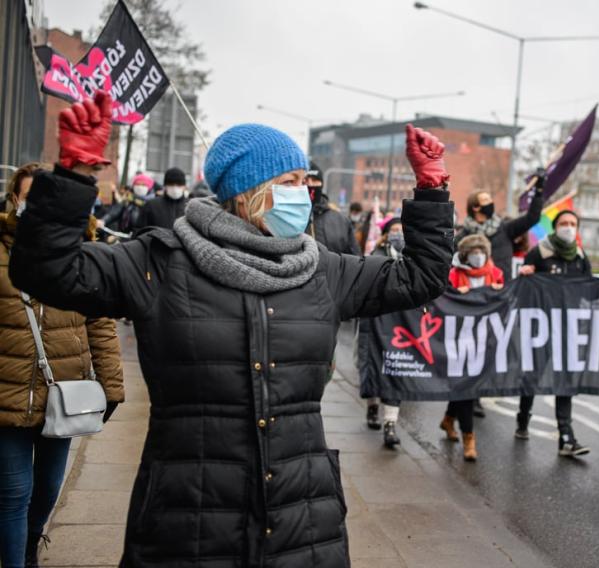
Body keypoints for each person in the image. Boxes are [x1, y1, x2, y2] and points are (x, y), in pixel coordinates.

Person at [10, 91, 454, 566]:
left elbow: (420, 277)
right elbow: (47, 271)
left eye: (305, 182)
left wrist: (431, 191)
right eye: (290, 181)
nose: (303, 194)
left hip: (302, 520)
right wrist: (73, 176)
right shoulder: (158, 262)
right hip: (188, 523)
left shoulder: (324, 270)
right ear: (248, 190)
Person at [1, 162, 124, 567]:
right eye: (26, 196)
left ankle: (29, 543)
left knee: (48, 488)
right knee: (14, 492)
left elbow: (100, 323)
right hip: (8, 395)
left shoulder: (82, 254)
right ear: (13, 198)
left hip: (63, 394)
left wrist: (112, 385)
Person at [516, 210, 591, 457]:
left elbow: (590, 291)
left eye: (572, 224)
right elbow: (523, 290)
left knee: (565, 379)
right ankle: (523, 419)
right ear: (555, 226)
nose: (568, 227)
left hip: (568, 329)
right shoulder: (540, 252)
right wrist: (526, 276)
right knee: (533, 375)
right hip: (541, 326)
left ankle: (566, 437)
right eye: (563, 223)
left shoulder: (580, 256)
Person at [440, 233, 504, 461]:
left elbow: (506, 301)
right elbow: (442, 301)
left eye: (481, 252)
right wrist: (456, 293)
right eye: (473, 252)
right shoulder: (454, 275)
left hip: (485, 340)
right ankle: (469, 438)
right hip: (460, 340)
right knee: (467, 388)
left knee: (465, 386)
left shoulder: (496, 274)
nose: (478, 256)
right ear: (465, 255)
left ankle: (449, 418)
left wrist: (499, 292)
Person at [362, 217, 405, 448]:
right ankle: (372, 406)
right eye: (394, 230)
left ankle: (390, 424)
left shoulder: (411, 257)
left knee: (395, 370)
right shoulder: (375, 256)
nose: (398, 233)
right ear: (386, 234)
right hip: (376, 322)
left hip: (400, 327)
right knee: (373, 367)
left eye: (402, 230)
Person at [454, 178, 544, 281]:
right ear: (475, 207)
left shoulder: (505, 229)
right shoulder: (463, 238)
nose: (491, 202)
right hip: (472, 292)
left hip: (502, 290)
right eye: (486, 200)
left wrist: (539, 192)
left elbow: (532, 217)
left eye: (490, 199)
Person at [306, 162, 360, 255]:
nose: (310, 185)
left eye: (315, 180)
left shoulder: (341, 221)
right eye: (305, 181)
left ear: (321, 184)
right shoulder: (288, 218)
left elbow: (355, 259)